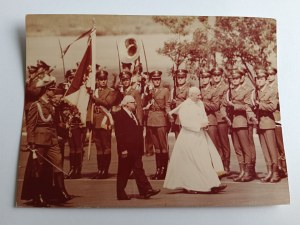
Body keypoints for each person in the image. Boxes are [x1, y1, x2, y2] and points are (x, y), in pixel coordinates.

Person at [21, 73, 73, 207]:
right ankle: (38, 197)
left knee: (58, 162)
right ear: (45, 90)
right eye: (51, 89)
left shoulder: (51, 105)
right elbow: (31, 126)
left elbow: (53, 124)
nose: (53, 91)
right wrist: (31, 143)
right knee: (38, 168)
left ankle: (60, 191)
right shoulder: (36, 106)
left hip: (52, 140)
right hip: (39, 141)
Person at [164, 87, 227, 193]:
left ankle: (212, 183)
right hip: (188, 137)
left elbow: (203, 116)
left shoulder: (200, 103)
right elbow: (185, 123)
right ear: (191, 95)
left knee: (204, 160)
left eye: (199, 94)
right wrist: (199, 125)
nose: (200, 96)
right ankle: (191, 185)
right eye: (197, 95)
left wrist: (205, 124)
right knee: (192, 161)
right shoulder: (185, 106)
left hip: (200, 136)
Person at [113, 95, 160, 200]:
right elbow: (119, 134)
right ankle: (120, 193)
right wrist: (123, 149)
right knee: (123, 171)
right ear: (126, 104)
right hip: (127, 149)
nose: (135, 104)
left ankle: (146, 190)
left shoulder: (131, 114)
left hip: (135, 149)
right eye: (133, 102)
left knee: (138, 169)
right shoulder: (120, 115)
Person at [221, 69, 256, 182]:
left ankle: (248, 172)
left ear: (241, 79)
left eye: (237, 78)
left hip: (242, 122)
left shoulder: (247, 90)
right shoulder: (229, 91)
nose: (235, 80)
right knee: (237, 148)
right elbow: (223, 104)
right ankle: (241, 171)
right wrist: (226, 116)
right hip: (232, 122)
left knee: (246, 148)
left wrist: (233, 105)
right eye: (233, 79)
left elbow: (248, 105)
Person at [91, 70, 120, 179]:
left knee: (106, 146)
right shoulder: (94, 91)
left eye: (104, 79)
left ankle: (105, 171)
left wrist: (95, 98)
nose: (103, 82)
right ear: (97, 80)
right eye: (101, 80)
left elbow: (108, 103)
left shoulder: (110, 91)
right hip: (95, 120)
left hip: (105, 120)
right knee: (98, 147)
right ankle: (100, 170)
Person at [255, 69, 280, 182]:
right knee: (265, 150)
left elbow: (272, 107)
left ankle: (276, 173)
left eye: (261, 79)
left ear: (265, 80)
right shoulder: (256, 92)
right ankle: (269, 171)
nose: (259, 81)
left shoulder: (272, 91)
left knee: (272, 149)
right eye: (258, 79)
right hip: (259, 124)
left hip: (268, 123)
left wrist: (259, 105)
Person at [144, 70, 170, 180]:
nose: (157, 81)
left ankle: (164, 171)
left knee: (163, 147)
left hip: (160, 119)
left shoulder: (165, 90)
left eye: (158, 79)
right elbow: (145, 104)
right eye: (154, 79)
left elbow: (166, 105)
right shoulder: (148, 91)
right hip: (151, 120)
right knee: (157, 148)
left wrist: (169, 116)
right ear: (151, 80)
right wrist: (147, 93)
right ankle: (158, 170)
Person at [267, 67, 287, 178]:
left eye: (271, 75)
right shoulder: (266, 87)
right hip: (269, 119)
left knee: (280, 144)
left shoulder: (279, 87)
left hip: (278, 117)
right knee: (273, 145)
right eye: (268, 75)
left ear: (275, 75)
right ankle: (279, 168)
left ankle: (284, 167)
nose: (269, 77)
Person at [211, 67, 231, 175]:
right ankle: (220, 165)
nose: (216, 77)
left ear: (221, 75)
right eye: (214, 75)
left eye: (218, 75)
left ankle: (226, 165)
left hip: (221, 117)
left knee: (224, 143)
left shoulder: (225, 87)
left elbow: (223, 102)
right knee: (216, 143)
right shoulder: (211, 86)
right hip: (213, 118)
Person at [167, 69, 190, 138]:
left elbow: (189, 104)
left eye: (182, 78)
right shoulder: (173, 90)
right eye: (178, 78)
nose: (180, 79)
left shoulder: (188, 90)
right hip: (175, 119)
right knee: (177, 140)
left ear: (185, 78)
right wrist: (169, 113)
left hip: (184, 118)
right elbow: (168, 103)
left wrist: (176, 102)